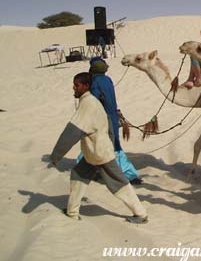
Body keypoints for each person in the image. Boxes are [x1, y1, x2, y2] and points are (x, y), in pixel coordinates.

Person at [49, 72, 147, 223]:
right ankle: (72, 211)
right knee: (78, 175)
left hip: (99, 153)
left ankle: (140, 214)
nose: (74, 88)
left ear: (86, 86)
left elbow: (72, 132)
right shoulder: (90, 101)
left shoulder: (88, 104)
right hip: (94, 151)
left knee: (118, 182)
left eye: (77, 85)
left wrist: (56, 156)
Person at [86, 57, 142, 184]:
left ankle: (124, 174)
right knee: (111, 145)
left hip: (103, 119)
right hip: (113, 117)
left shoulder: (94, 82)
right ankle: (128, 174)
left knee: (103, 146)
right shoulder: (108, 80)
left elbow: (93, 101)